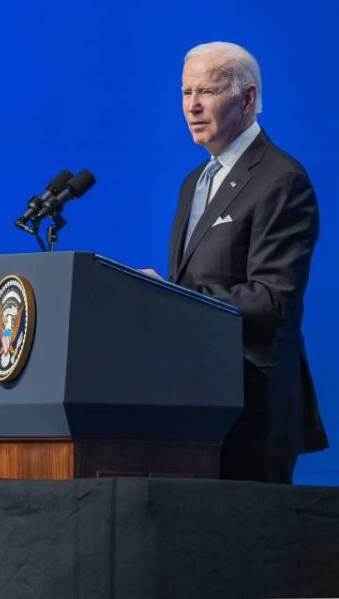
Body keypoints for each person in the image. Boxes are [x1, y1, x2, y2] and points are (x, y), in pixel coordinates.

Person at [141, 42, 327, 483]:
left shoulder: (281, 179)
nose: (192, 106)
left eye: (206, 91)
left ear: (247, 98)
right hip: (193, 399)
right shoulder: (194, 182)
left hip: (252, 406)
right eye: (185, 92)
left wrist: (170, 296)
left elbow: (272, 300)